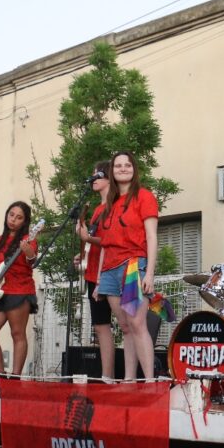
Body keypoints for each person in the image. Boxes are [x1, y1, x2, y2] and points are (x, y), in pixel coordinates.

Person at [93, 151, 159, 382]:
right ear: (111, 171)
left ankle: (149, 381)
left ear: (134, 169)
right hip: (109, 270)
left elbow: (152, 237)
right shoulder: (105, 207)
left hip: (133, 265)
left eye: (127, 165)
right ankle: (129, 380)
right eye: (118, 165)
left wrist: (149, 273)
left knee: (137, 322)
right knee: (125, 326)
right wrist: (99, 280)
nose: (122, 169)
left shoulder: (144, 196)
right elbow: (104, 245)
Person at [0, 201, 39, 375]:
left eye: (19, 217)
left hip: (20, 291)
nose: (13, 219)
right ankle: (0, 375)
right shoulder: (0, 239)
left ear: (25, 221)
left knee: (17, 334)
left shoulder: (30, 239)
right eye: (11, 215)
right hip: (0, 293)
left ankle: (15, 378)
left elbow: (32, 260)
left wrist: (27, 250)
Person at [75, 160, 116, 381]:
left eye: (96, 174)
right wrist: (83, 255)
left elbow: (111, 239)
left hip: (109, 272)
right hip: (93, 272)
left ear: (108, 177)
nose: (93, 179)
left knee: (109, 326)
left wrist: (87, 238)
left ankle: (109, 376)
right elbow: (95, 242)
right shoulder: (97, 209)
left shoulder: (112, 206)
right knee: (100, 327)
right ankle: (105, 376)